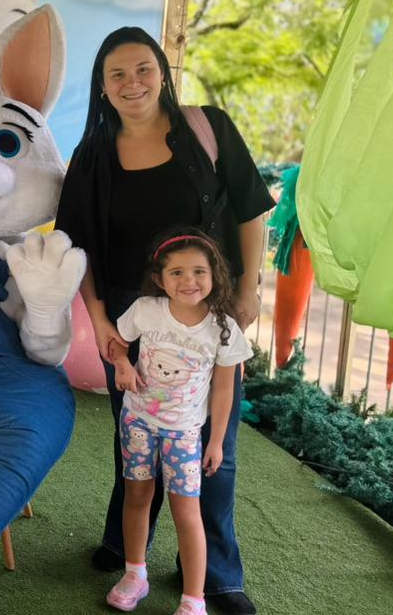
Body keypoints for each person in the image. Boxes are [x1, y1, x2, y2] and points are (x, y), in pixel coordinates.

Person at [55, 26, 274, 615]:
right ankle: (126, 547)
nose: (133, 83)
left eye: (143, 69)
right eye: (117, 74)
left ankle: (217, 575)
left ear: (162, 73)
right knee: (136, 431)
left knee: (212, 443)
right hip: (134, 318)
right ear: (102, 87)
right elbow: (78, 248)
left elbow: (252, 211)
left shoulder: (207, 129)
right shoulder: (92, 157)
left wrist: (248, 288)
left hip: (206, 311)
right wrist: (101, 321)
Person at [105, 230, 250, 615]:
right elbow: (117, 343)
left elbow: (225, 390)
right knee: (136, 496)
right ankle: (135, 574)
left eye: (199, 271)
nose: (189, 281)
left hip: (184, 434)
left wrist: (216, 442)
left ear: (215, 274)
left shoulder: (223, 329)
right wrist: (122, 365)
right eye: (177, 273)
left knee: (187, 512)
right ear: (159, 278)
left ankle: (193, 600)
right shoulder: (145, 310)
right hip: (137, 423)